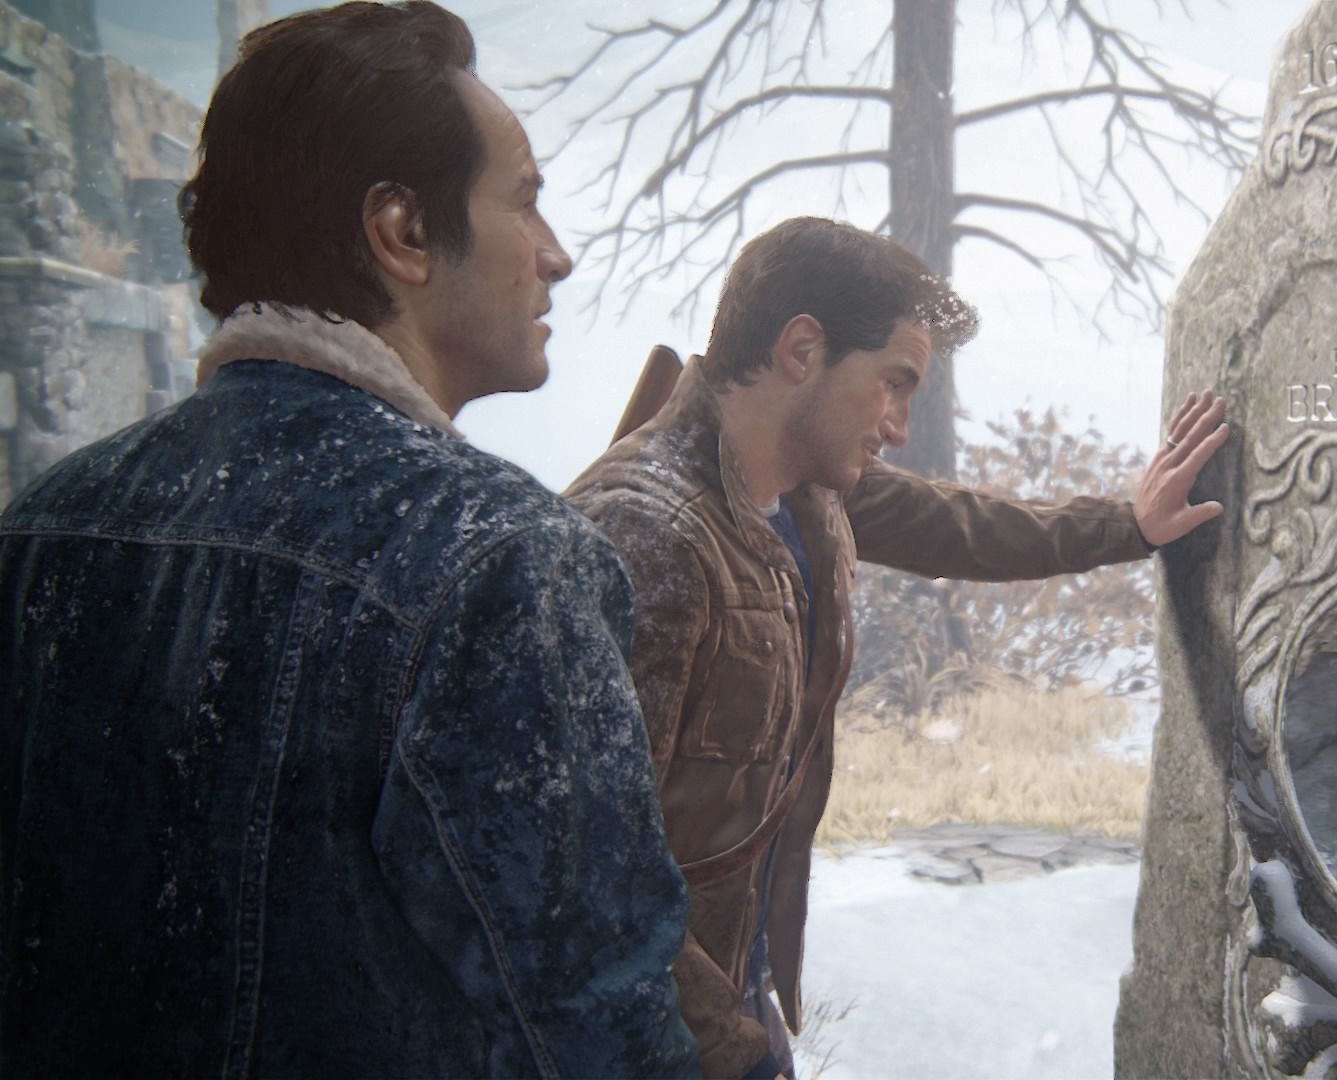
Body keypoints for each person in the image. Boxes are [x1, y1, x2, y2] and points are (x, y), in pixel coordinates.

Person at [0, 4, 696, 1076]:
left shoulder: (40, 528)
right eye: (526, 201)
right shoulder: (504, 562)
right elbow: (598, 1034)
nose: (556, 255)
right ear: (403, 233)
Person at [565, 216, 1231, 1078]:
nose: (899, 423)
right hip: (651, 1027)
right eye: (892, 383)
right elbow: (591, 868)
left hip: (733, 981)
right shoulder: (644, 535)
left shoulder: (808, 492)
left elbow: (964, 526)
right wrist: (734, 1055)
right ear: (802, 349)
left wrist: (1129, 525)